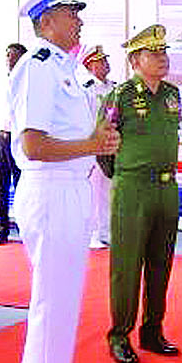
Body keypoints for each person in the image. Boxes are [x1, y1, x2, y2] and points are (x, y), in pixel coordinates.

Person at [9, 0, 119, 363]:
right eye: (72, 14)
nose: (79, 22)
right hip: (50, 190)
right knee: (51, 298)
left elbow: (67, 135)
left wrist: (95, 142)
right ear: (48, 21)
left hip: (70, 188)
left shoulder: (63, 67)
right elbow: (33, 145)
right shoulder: (37, 66)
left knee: (66, 298)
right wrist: (90, 145)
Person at [101, 24, 182, 363]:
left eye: (164, 52)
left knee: (161, 263)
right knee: (127, 265)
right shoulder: (120, 96)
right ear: (135, 60)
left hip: (167, 188)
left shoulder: (172, 94)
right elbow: (103, 144)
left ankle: (152, 330)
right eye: (154, 53)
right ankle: (120, 334)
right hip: (133, 189)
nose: (162, 58)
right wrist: (124, 175)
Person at [0, 42, 27, 244]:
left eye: (14, 55)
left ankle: (25, 228)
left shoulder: (29, 76)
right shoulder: (1, 76)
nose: (9, 58)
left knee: (22, 186)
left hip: (20, 138)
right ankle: (0, 230)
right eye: (7, 55)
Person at [77, 45, 114, 249]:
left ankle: (106, 232)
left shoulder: (114, 88)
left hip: (110, 146)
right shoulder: (86, 89)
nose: (106, 64)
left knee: (108, 191)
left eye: (106, 60)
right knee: (92, 192)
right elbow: (84, 120)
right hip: (93, 147)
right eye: (101, 61)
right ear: (90, 65)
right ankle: (92, 234)